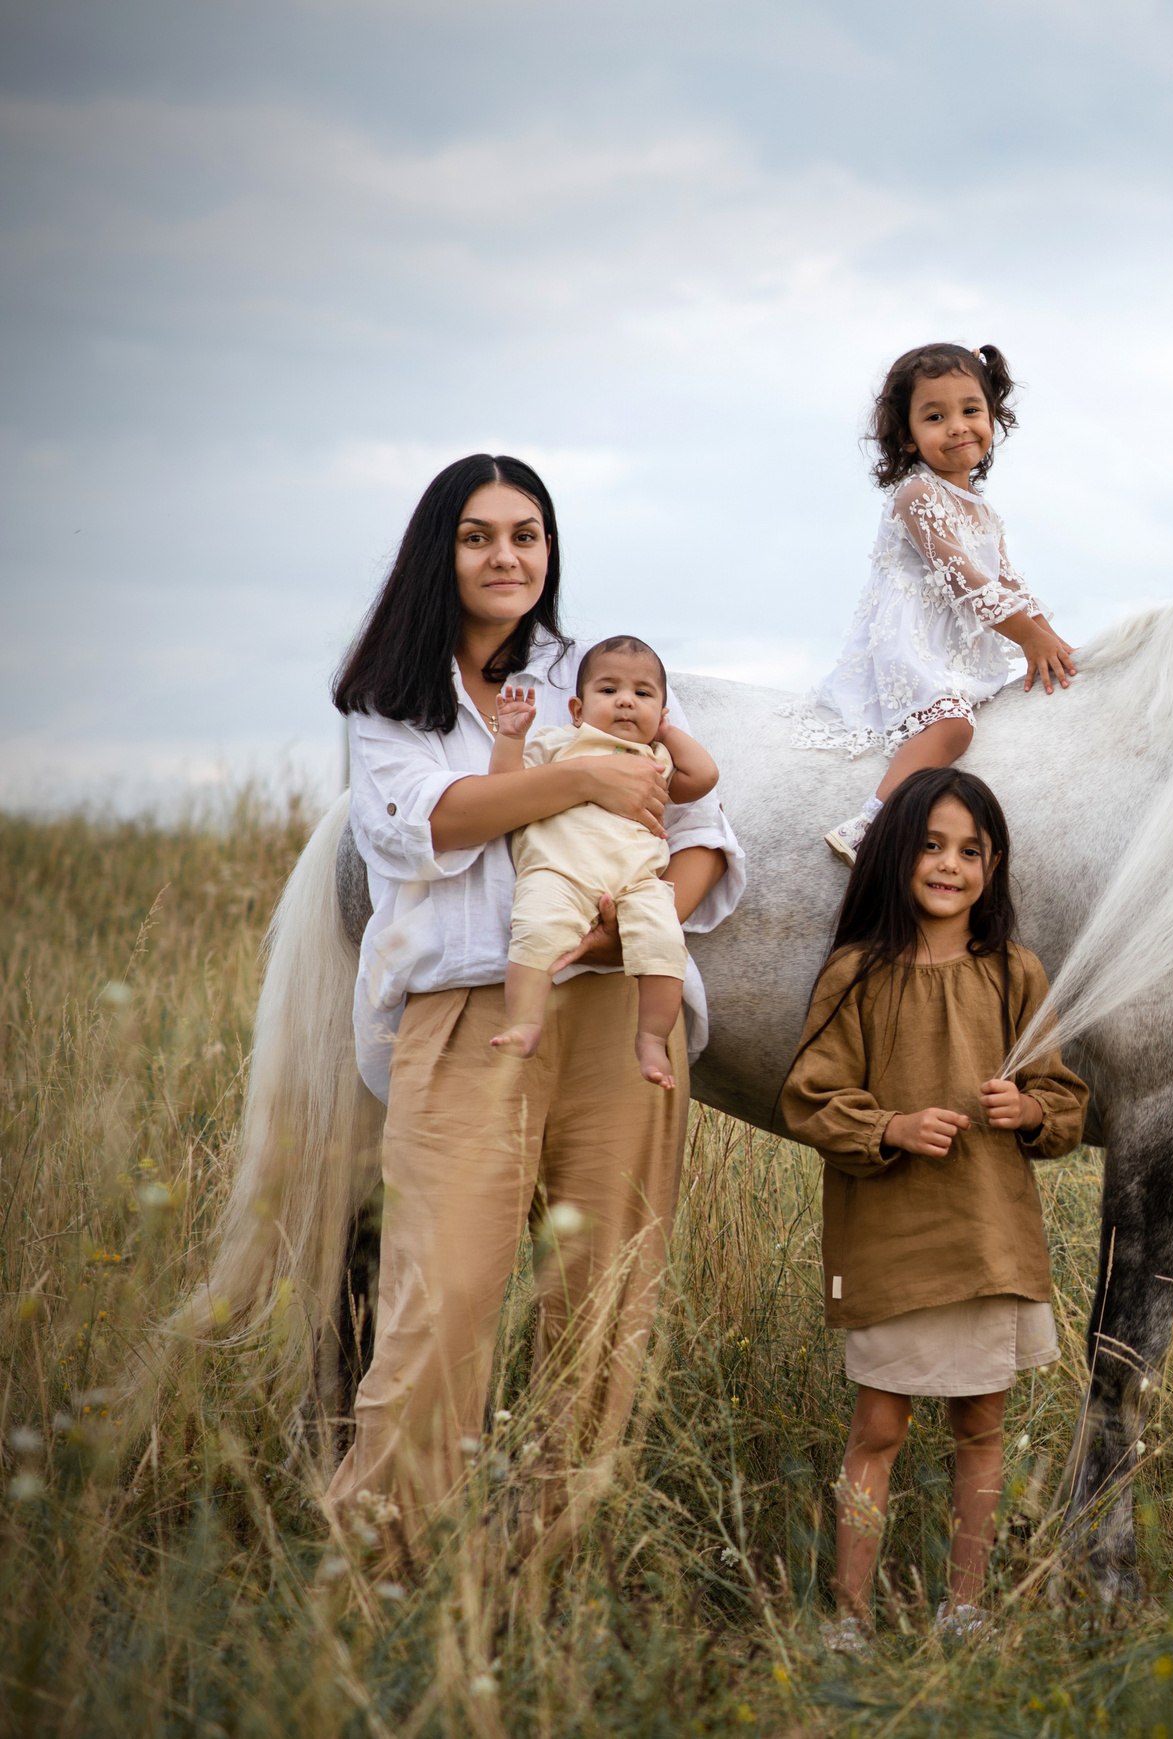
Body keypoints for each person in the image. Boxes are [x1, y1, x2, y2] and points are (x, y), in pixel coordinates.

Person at [328, 453, 744, 1567]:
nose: (506, 555)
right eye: (478, 535)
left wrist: (629, 924)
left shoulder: (601, 670)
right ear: (440, 551)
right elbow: (425, 825)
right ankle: (382, 1564)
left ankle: (535, 1575)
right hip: (469, 1012)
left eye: (527, 533)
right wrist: (584, 782)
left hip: (616, 1016)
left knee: (603, 1305)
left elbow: (705, 836)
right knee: (441, 1298)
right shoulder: (388, 700)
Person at [779, 769, 1088, 1650]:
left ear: (993, 866)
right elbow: (811, 1097)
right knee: (878, 1424)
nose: (950, 865)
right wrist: (892, 1124)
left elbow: (1063, 1103)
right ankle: (849, 1617)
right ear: (894, 852)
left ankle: (965, 1610)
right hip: (892, 1236)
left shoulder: (1015, 973)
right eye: (932, 845)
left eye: (972, 851)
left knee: (981, 1426)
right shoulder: (857, 973)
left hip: (989, 1236)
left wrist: (1027, 1110)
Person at [811, 343, 1078, 865]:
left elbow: (1009, 582)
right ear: (908, 438)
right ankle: (870, 824)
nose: (957, 426)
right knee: (951, 723)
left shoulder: (983, 510)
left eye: (970, 410)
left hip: (954, 646)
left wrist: (1050, 640)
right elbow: (967, 581)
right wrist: (1028, 637)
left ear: (992, 418)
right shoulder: (917, 495)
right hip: (912, 642)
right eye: (936, 416)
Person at [485, 636, 719, 1088]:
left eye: (643, 694)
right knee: (536, 931)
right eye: (608, 691)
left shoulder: (658, 760)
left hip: (637, 882)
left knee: (666, 944)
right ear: (577, 709)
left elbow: (705, 777)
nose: (626, 702)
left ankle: (651, 1038)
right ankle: (525, 1023)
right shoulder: (560, 744)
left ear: (662, 712)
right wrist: (512, 738)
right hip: (559, 870)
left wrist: (666, 732)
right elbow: (505, 786)